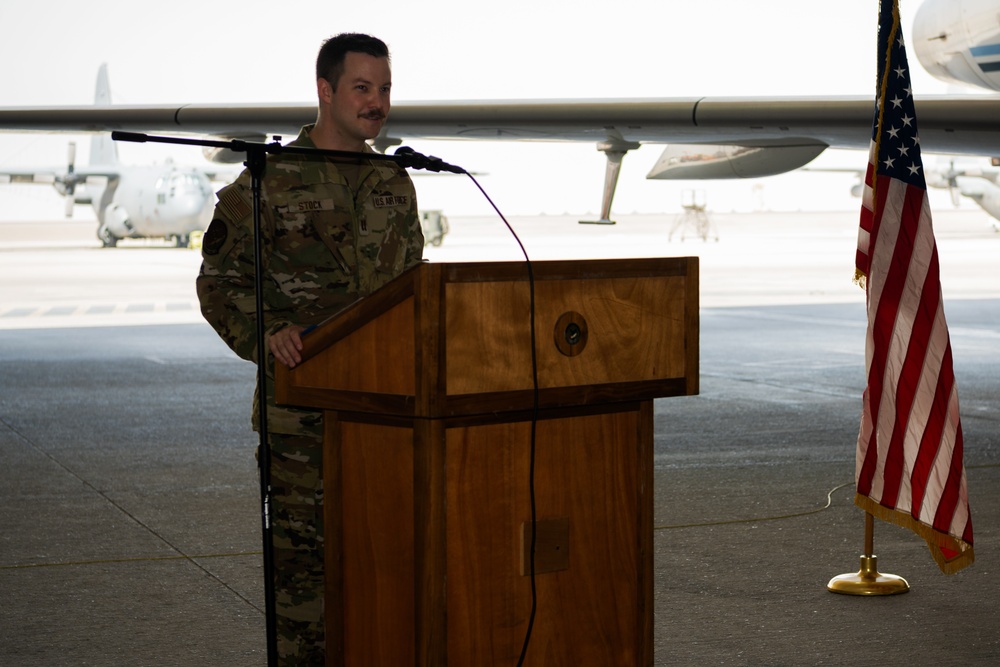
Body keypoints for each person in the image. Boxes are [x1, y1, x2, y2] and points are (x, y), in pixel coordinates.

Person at [196, 33, 424, 666]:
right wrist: (262, 335)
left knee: (386, 575)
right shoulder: (268, 179)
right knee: (304, 591)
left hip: (383, 416)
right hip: (299, 424)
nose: (376, 102)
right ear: (325, 91)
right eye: (362, 87)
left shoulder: (394, 183)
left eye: (384, 89)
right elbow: (217, 282)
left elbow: (413, 288)